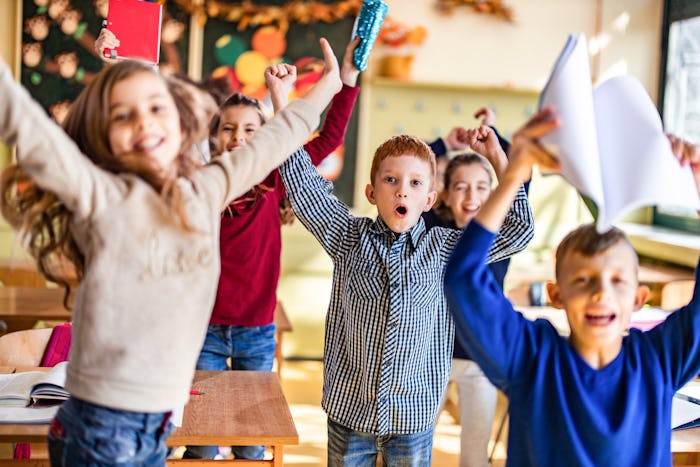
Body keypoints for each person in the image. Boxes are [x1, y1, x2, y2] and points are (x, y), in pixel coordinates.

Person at [0, 37, 341, 465]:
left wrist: (330, 85)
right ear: (103, 135)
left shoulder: (204, 189)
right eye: (124, 115)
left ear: (181, 124)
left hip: (156, 424)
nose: (144, 121)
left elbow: (276, 140)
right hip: (99, 429)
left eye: (156, 108)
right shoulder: (98, 194)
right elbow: (26, 124)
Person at [444, 106, 700, 466]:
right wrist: (513, 173)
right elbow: (463, 277)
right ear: (556, 294)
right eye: (583, 279)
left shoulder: (658, 362)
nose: (601, 292)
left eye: (617, 281)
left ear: (639, 299)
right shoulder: (532, 359)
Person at [278, 123, 534, 464]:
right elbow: (304, 186)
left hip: (413, 416)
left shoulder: (446, 249)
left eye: (415, 184)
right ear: (371, 193)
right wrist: (283, 107)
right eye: (390, 181)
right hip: (350, 411)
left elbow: (519, 229)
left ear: (429, 200)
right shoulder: (348, 237)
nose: (402, 192)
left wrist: (498, 158)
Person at [182, 37, 361, 461]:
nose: (238, 137)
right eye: (228, 128)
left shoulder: (277, 180)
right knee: (201, 442)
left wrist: (348, 79)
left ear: (268, 138)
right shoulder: (203, 186)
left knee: (251, 440)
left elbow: (331, 133)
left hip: (257, 332)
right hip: (203, 327)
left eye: (251, 129)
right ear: (213, 138)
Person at [422, 121, 512, 467]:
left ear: (494, 193)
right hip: (432, 353)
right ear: (443, 194)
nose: (472, 197)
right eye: (461, 187)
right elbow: (413, 169)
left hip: (479, 356)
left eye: (481, 187)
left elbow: (521, 182)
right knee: (417, 441)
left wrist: (494, 141)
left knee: (475, 452)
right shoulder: (432, 230)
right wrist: (443, 144)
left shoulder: (502, 238)